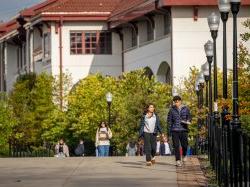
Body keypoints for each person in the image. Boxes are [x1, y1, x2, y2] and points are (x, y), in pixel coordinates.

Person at [167, 95, 191, 167]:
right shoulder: (171, 110)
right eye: (175, 102)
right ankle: (178, 160)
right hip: (175, 130)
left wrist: (187, 121)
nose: (176, 103)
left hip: (183, 129)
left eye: (178, 101)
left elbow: (189, 117)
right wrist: (169, 131)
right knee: (176, 146)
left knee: (185, 145)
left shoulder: (186, 109)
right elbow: (169, 121)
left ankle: (184, 155)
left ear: (180, 101)